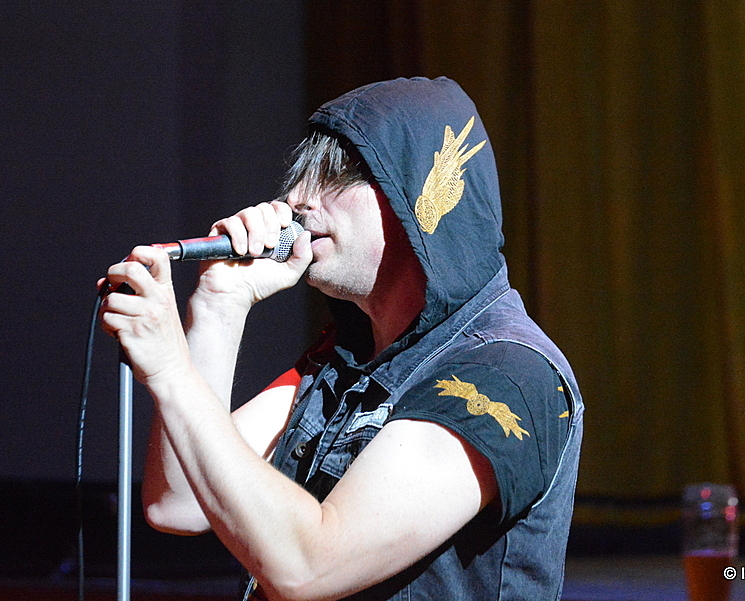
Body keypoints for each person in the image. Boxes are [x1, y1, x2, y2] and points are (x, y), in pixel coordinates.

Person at [100, 77, 584, 601]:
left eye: (334, 177)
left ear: (415, 194)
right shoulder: (342, 361)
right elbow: (178, 503)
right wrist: (219, 306)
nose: (297, 200)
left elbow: (310, 566)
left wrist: (173, 372)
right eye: (300, 178)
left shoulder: (508, 373)